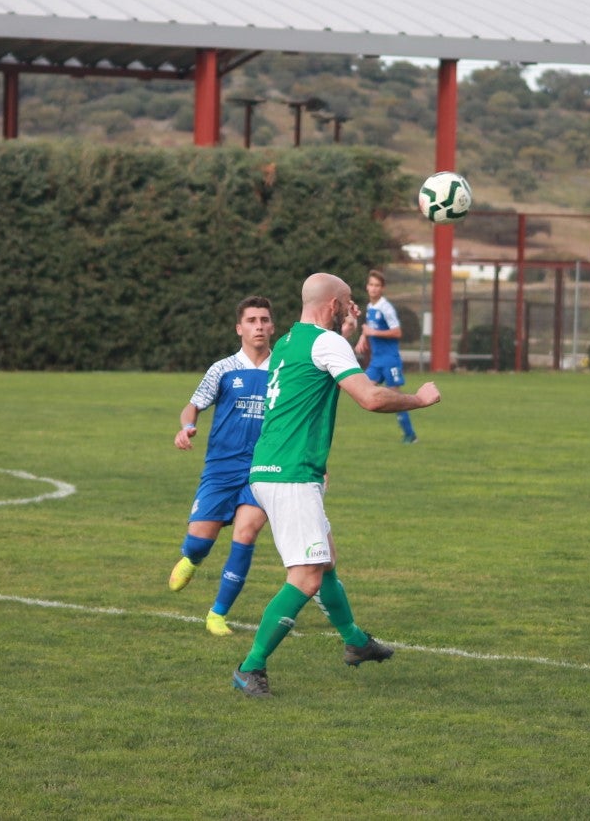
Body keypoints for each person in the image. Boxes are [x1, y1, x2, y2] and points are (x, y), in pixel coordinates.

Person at [232, 273, 442, 698]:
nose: (352, 309)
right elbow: (370, 397)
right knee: (307, 576)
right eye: (347, 304)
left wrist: (347, 337)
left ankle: (355, 641)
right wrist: (419, 399)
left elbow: (334, 376)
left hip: (275, 467)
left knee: (325, 560)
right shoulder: (324, 343)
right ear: (332, 306)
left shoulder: (290, 342)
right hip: (291, 472)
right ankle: (250, 667)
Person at [168, 296, 275, 636]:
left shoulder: (282, 371)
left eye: (264, 320)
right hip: (221, 467)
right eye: (252, 320)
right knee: (200, 541)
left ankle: (217, 614)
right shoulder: (223, 368)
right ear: (239, 328)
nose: (259, 325)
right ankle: (193, 558)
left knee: (246, 534)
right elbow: (192, 407)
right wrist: (187, 428)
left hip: (263, 469)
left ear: (272, 327)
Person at [355, 269, 417, 443]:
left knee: (396, 397)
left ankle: (410, 434)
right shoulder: (370, 307)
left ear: (382, 288)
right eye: (371, 285)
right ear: (367, 287)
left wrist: (372, 332)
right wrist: (363, 336)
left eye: (377, 286)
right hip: (376, 361)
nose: (374, 289)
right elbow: (368, 327)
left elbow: (397, 332)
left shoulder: (386, 307)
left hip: (390, 359)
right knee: (363, 389)